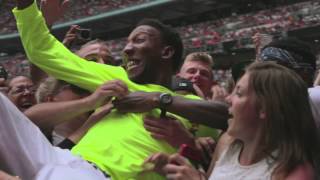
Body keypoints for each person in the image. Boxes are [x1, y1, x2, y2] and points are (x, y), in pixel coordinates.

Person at [10, 0, 228, 179]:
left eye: (139, 40)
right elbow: (44, 51)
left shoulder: (193, 105)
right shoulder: (116, 77)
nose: (127, 49)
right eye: (127, 42)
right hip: (63, 160)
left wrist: (158, 101)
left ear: (166, 52)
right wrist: (26, 6)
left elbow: (230, 119)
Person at [146, 62, 320, 180]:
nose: (228, 99)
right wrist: (177, 171)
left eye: (238, 93)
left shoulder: (296, 173)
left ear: (264, 109)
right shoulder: (229, 145)